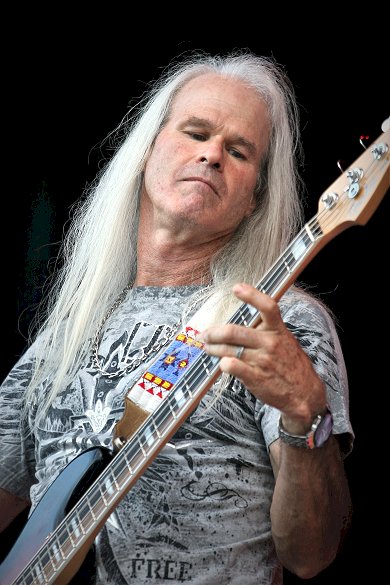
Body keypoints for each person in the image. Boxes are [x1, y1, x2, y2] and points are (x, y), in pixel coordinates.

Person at [0, 49, 353, 585]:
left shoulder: (276, 324)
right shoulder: (67, 334)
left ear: (256, 198)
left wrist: (306, 413)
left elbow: (311, 552)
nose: (212, 155)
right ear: (146, 150)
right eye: (196, 132)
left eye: (238, 151)